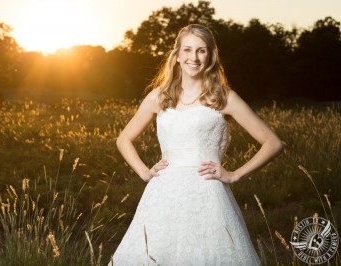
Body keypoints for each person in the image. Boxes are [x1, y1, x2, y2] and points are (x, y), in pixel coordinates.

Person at [108, 24, 283, 265]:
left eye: (201, 51)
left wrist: (234, 175)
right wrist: (145, 172)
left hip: (208, 195)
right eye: (188, 50)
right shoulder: (159, 97)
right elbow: (123, 139)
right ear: (177, 55)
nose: (194, 57)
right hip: (163, 195)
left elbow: (273, 143)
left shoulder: (223, 97)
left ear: (211, 56)